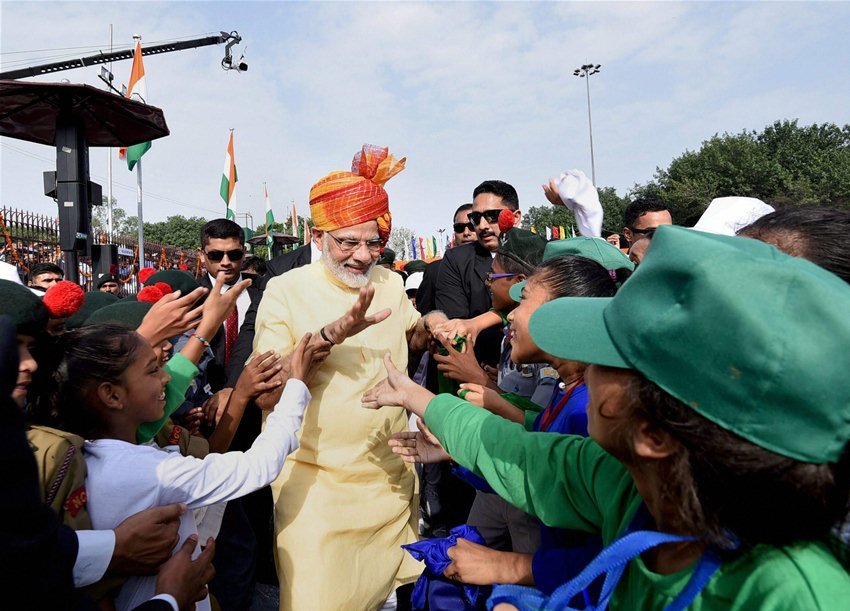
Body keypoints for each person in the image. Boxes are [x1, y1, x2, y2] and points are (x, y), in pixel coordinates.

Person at [365, 225, 850, 609]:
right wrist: (417, 397)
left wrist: (512, 575)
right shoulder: (635, 485)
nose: (579, 372)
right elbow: (516, 451)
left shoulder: (797, 593)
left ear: (650, 430)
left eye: (600, 356)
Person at [252, 144, 446, 610]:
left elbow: (411, 337)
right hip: (315, 488)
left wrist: (434, 324)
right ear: (318, 236)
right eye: (347, 242)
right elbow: (266, 392)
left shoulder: (391, 283)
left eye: (372, 242)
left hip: (390, 480)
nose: (362, 256)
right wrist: (326, 337)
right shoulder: (284, 291)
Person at [52, 323, 324, 611]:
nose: (166, 377)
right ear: (113, 395)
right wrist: (296, 385)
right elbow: (259, 466)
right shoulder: (151, 471)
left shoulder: (92, 457)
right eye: (152, 370)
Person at [415, 203, 474, 316]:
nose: (466, 233)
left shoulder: (496, 265)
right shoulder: (434, 270)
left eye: (472, 226)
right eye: (459, 228)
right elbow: (425, 315)